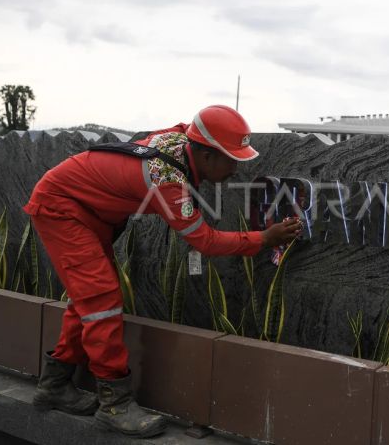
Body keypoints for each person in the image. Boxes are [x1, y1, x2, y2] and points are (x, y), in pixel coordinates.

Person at [26, 105, 301, 438]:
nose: (236, 168)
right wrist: (264, 238)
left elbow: (194, 125)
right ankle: (115, 405)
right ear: (205, 155)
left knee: (89, 300)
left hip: (90, 211)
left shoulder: (182, 139)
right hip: (63, 207)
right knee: (101, 299)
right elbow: (207, 241)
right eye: (232, 158)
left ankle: (54, 385)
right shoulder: (167, 184)